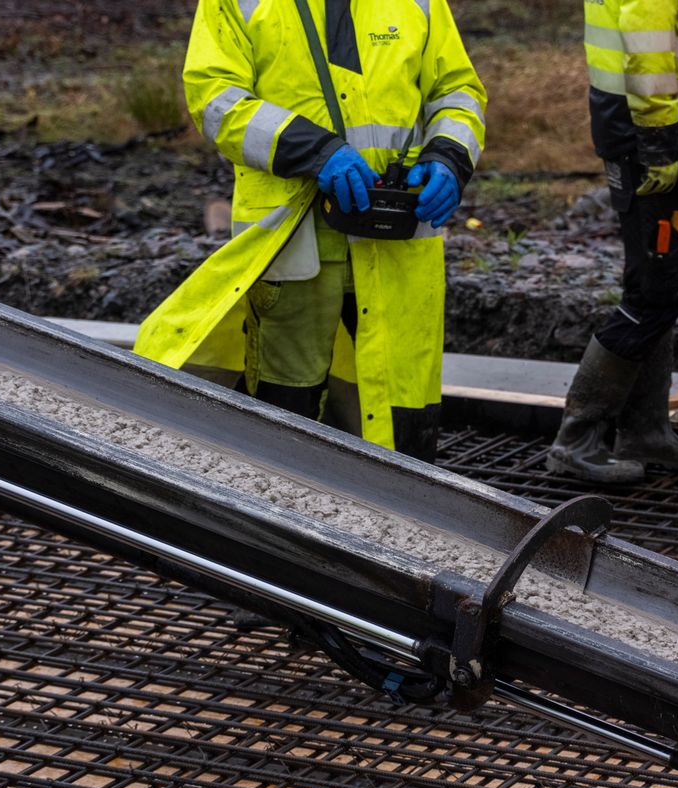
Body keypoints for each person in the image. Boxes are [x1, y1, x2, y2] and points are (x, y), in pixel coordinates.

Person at [134, 0, 487, 463]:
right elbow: (216, 98)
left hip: (397, 244)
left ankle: (394, 507)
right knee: (286, 418)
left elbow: (457, 90)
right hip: (294, 242)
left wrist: (448, 155)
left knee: (399, 410)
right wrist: (315, 151)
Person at [545, 0, 678, 484]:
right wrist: (657, 140)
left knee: (659, 289)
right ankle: (577, 439)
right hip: (654, 128)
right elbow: (646, 42)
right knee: (654, 294)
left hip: (667, 125)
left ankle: (645, 431)